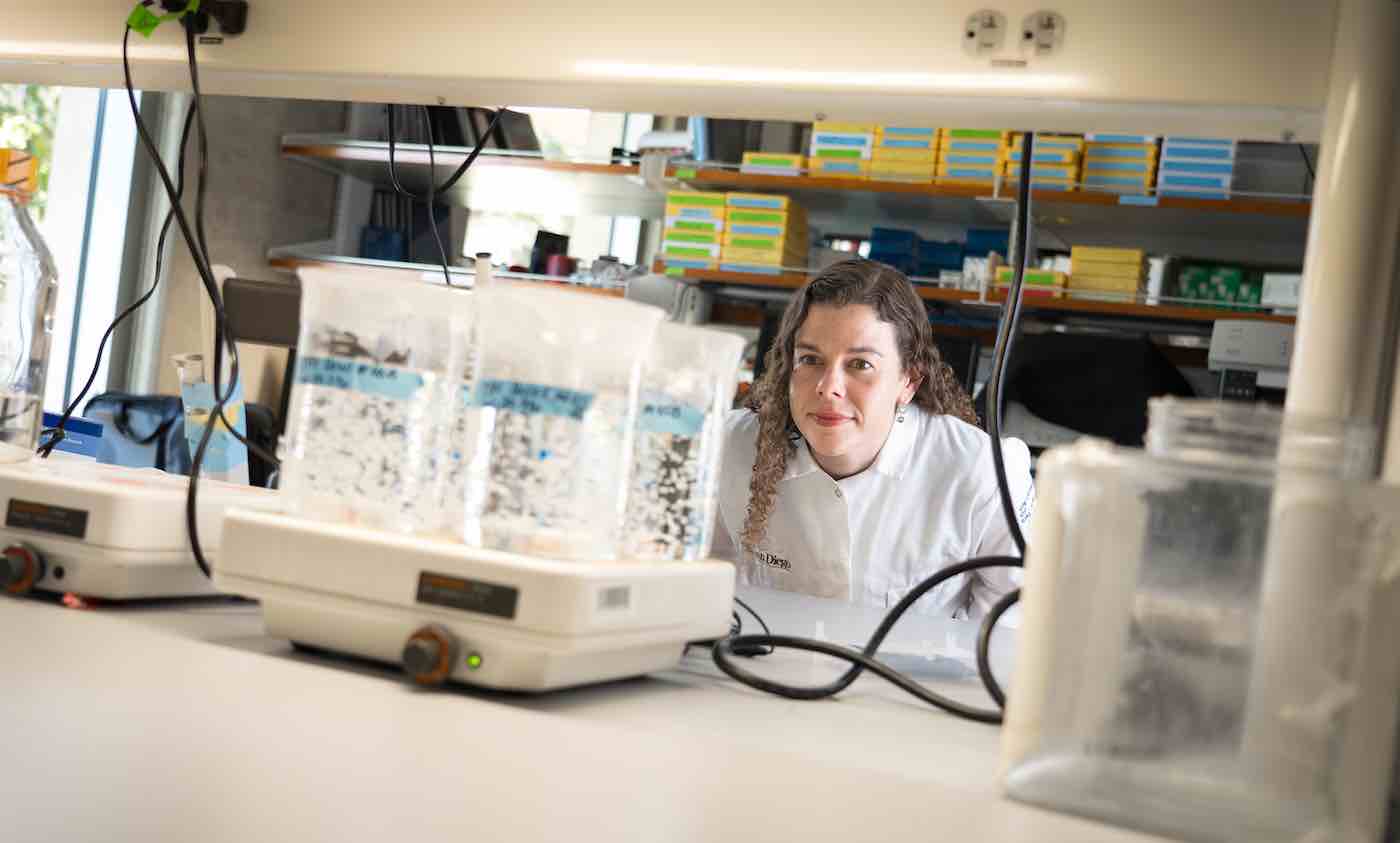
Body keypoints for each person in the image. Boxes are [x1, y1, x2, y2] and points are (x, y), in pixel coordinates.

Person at [711, 258, 1034, 618]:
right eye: (810, 359)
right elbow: (704, 586)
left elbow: (1012, 617)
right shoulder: (727, 446)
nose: (829, 387)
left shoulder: (985, 472)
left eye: (860, 364)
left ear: (908, 381)